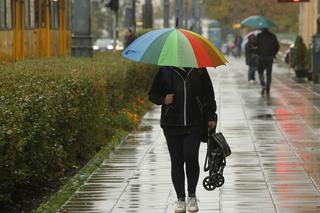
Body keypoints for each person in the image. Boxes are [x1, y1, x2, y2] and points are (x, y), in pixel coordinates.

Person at [149, 66, 217, 213]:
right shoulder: (165, 70)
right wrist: (163, 99)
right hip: (171, 124)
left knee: (191, 156)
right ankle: (180, 199)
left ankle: (191, 196)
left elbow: (208, 94)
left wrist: (211, 116)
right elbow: (152, 94)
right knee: (177, 160)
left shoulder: (199, 69)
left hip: (195, 122)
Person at [256, 28, 280, 96]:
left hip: (261, 57)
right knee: (268, 74)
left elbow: (255, 44)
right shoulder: (273, 36)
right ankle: (268, 88)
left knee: (260, 72)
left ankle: (263, 84)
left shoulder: (259, 35)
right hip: (270, 57)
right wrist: (273, 54)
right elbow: (277, 46)